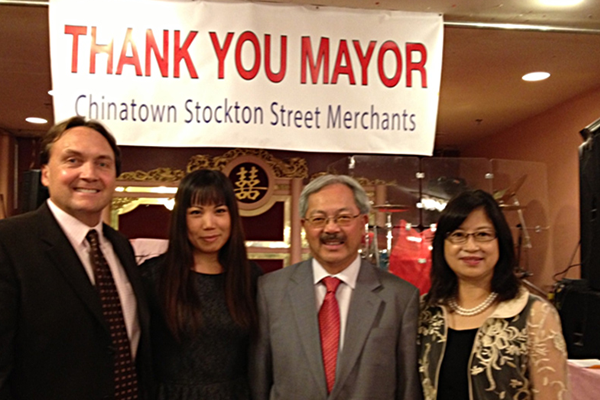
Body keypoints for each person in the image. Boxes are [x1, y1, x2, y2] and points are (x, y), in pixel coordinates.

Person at [0, 116, 152, 399]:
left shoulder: (120, 247)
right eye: (73, 161)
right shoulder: (9, 243)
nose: (90, 174)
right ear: (45, 173)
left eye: (103, 163)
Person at [250, 174, 422, 400]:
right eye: (319, 219)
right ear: (304, 226)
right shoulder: (270, 291)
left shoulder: (400, 297)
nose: (331, 229)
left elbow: (408, 389)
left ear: (362, 223)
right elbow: (259, 382)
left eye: (343, 218)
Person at [418, 189, 569, 400]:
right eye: (458, 235)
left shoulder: (535, 315)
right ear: (442, 245)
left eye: (483, 235)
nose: (471, 247)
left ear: (501, 242)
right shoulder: (424, 310)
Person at [141, 169, 261, 399]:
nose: (209, 224)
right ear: (181, 219)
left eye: (219, 211)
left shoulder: (250, 277)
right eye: (196, 212)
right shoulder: (153, 276)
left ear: (232, 216)